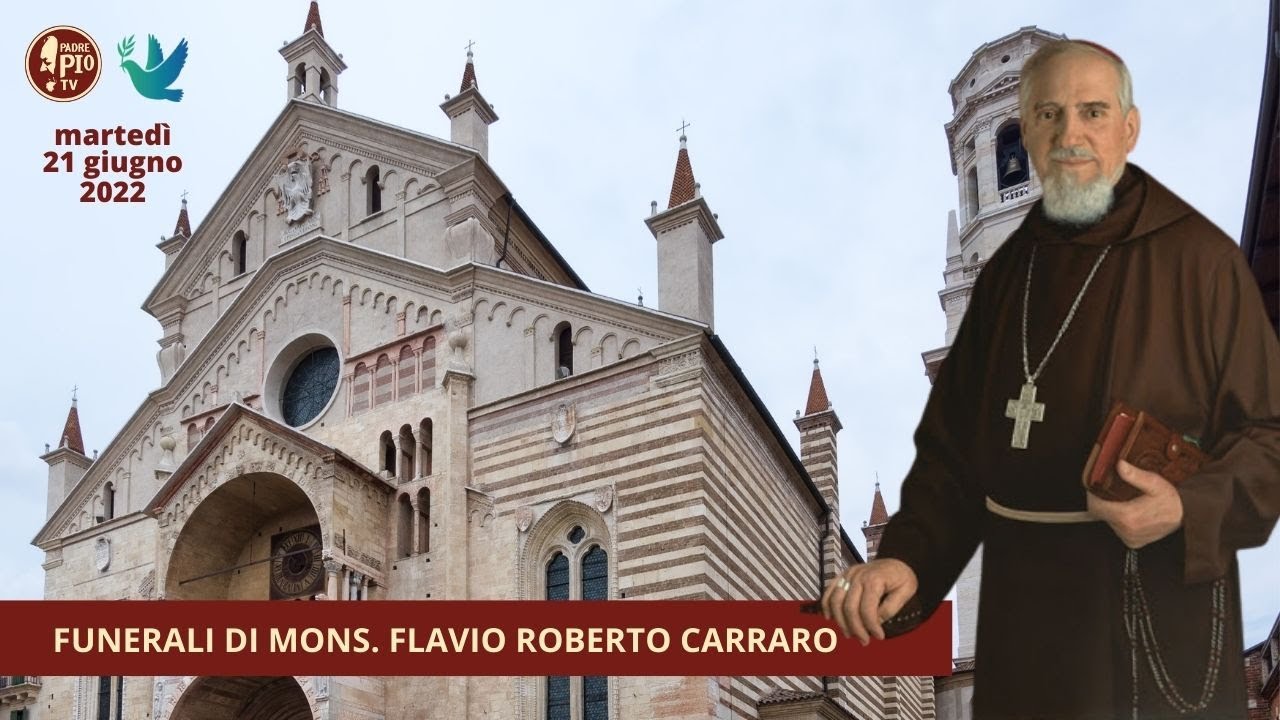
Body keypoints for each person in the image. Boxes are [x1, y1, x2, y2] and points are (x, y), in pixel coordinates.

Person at [821, 40, 1280, 719]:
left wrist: (1189, 506)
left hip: (1157, 627)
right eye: (1043, 118)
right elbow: (951, 464)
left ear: (1128, 129)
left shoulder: (1200, 262)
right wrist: (909, 561)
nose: (1069, 136)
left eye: (1092, 112)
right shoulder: (1001, 284)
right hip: (1027, 643)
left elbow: (1270, 437)